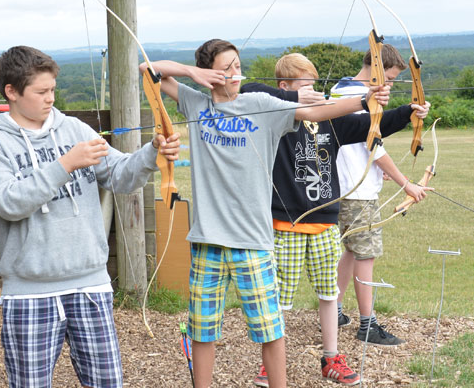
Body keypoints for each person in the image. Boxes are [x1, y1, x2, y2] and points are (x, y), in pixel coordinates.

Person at [139, 39, 391, 388]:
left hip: (253, 241)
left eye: (238, 65)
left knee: (270, 330)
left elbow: (315, 112)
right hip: (207, 240)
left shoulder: (260, 104)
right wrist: (190, 73)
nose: (235, 73)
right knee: (202, 329)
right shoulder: (195, 103)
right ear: (209, 72)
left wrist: (365, 101)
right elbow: (147, 70)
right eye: (226, 68)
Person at [0, 45, 181, 388]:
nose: (50, 98)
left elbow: (120, 175)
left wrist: (152, 153)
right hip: (29, 293)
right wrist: (65, 164)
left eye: (52, 89)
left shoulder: (74, 130)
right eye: (41, 92)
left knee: (106, 382)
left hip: (91, 285)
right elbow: (7, 202)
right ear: (11, 92)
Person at [240, 53, 430, 386]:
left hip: (325, 222)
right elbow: (247, 88)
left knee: (329, 295)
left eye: (315, 87)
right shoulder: (273, 117)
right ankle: (272, 363)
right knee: (280, 300)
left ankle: (331, 358)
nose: (314, 93)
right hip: (287, 224)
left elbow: (369, 125)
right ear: (283, 87)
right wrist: (297, 99)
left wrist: (407, 112)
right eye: (304, 87)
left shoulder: (329, 120)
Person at [333, 44, 431, 345]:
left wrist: (379, 170)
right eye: (387, 78)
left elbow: (364, 142)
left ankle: (333, 309)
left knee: (351, 250)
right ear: (375, 68)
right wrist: (407, 184)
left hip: (350, 185)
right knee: (366, 255)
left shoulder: (341, 90)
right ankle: (368, 325)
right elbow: (373, 142)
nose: (388, 85)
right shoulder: (351, 96)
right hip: (356, 191)